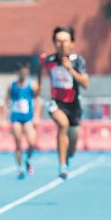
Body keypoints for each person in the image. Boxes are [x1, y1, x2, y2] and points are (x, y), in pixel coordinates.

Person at [38, 26, 89, 179]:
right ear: (54, 43)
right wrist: (38, 86)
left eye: (65, 41)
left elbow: (85, 83)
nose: (62, 44)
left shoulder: (78, 61)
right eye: (58, 41)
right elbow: (40, 71)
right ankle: (62, 166)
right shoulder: (49, 60)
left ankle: (66, 157)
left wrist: (70, 70)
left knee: (72, 147)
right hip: (56, 104)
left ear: (72, 43)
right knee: (62, 124)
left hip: (73, 106)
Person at [3, 61, 40, 179]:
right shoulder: (12, 85)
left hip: (28, 117)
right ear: (18, 72)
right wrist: (4, 117)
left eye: (25, 70)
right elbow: (6, 101)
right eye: (21, 70)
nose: (23, 73)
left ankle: (28, 160)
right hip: (16, 117)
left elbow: (37, 100)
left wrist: (37, 116)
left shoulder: (32, 85)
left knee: (31, 142)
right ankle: (19, 168)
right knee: (18, 142)